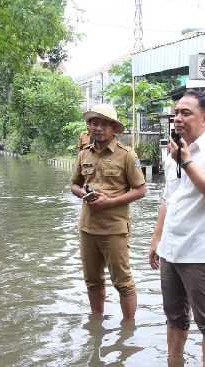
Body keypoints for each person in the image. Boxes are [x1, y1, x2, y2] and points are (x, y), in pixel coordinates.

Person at [148, 90, 205, 367]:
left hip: (200, 251)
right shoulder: (174, 153)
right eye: (176, 113)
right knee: (174, 316)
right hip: (171, 249)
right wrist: (156, 239)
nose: (178, 119)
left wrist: (186, 161)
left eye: (186, 113)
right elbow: (168, 199)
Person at [71, 104, 146, 319]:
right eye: (94, 123)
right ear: (89, 127)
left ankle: (128, 328)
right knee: (92, 280)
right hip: (87, 228)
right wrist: (83, 194)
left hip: (114, 229)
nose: (99, 128)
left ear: (113, 127)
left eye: (104, 124)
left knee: (122, 281)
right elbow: (74, 185)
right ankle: (97, 320)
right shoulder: (84, 154)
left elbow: (140, 190)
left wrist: (109, 202)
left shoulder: (127, 155)